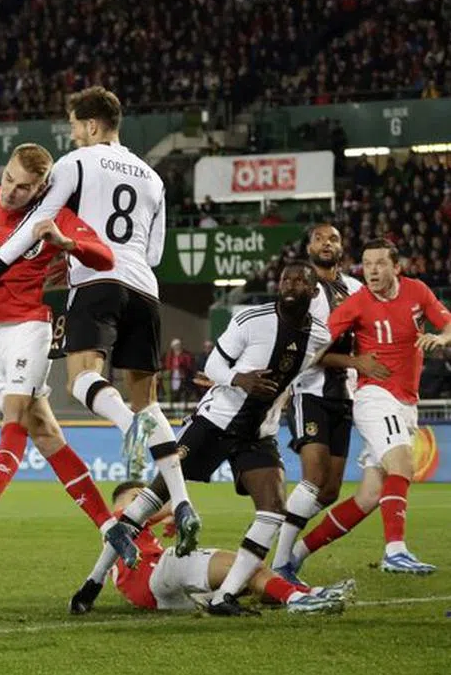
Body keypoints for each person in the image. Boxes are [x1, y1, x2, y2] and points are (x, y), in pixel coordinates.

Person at [0, 86, 200, 554]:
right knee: (148, 403)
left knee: (80, 379)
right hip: (145, 292)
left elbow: (40, 221)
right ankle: (184, 501)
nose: (72, 135)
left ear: (92, 126)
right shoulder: (153, 178)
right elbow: (153, 253)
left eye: (74, 126)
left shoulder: (77, 163)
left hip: (97, 282)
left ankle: (125, 426)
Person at [71, 262, 332, 616]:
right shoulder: (250, 320)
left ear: (314, 293)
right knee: (156, 494)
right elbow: (213, 367)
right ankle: (94, 579)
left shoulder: (318, 335)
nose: (291, 284)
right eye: (286, 278)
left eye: (301, 280)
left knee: (272, 509)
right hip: (215, 421)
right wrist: (241, 380)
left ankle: (225, 595)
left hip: (258, 433)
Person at [0, 143, 130, 553]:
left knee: (16, 411)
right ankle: (109, 525)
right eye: (9, 179)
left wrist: (66, 242)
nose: (11, 192)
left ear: (41, 189)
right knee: (44, 432)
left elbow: (105, 257)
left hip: (28, 324)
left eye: (24, 188)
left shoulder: (53, 217)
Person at [287, 239, 451, 576]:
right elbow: (315, 349)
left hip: (406, 402)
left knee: (370, 494)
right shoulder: (357, 304)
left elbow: (447, 323)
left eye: (379, 263)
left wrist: (441, 338)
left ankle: (296, 555)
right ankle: (395, 550)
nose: (373, 270)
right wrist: (354, 361)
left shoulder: (417, 292)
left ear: (396, 268)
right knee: (402, 465)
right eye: (367, 263)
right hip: (374, 397)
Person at [271, 224, 370, 579]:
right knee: (313, 480)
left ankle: (289, 548)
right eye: (319, 239)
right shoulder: (303, 290)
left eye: (333, 239)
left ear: (342, 247)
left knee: (328, 491)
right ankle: (279, 563)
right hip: (309, 394)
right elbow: (304, 353)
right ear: (308, 246)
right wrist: (354, 361)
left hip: (344, 398)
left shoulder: (358, 289)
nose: (326, 244)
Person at [95, 482, 350, 615]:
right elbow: (170, 505)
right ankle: (301, 597)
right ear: (132, 499)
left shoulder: (113, 534)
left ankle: (306, 595)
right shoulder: (121, 515)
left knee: (246, 583)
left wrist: (168, 517)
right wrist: (174, 510)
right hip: (158, 572)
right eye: (140, 498)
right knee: (247, 565)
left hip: (153, 599)